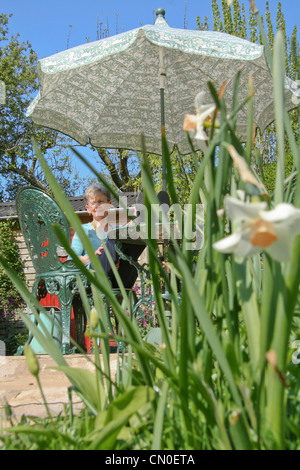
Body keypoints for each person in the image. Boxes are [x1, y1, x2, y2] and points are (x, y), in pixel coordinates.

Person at [71, 184, 145, 288]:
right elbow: (71, 261)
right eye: (93, 203)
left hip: (119, 277)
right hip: (94, 279)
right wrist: (91, 257)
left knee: (131, 244)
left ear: (109, 205)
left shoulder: (117, 229)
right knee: (115, 239)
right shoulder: (82, 231)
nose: (97, 206)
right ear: (87, 208)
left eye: (101, 202)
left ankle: (147, 222)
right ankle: (139, 224)